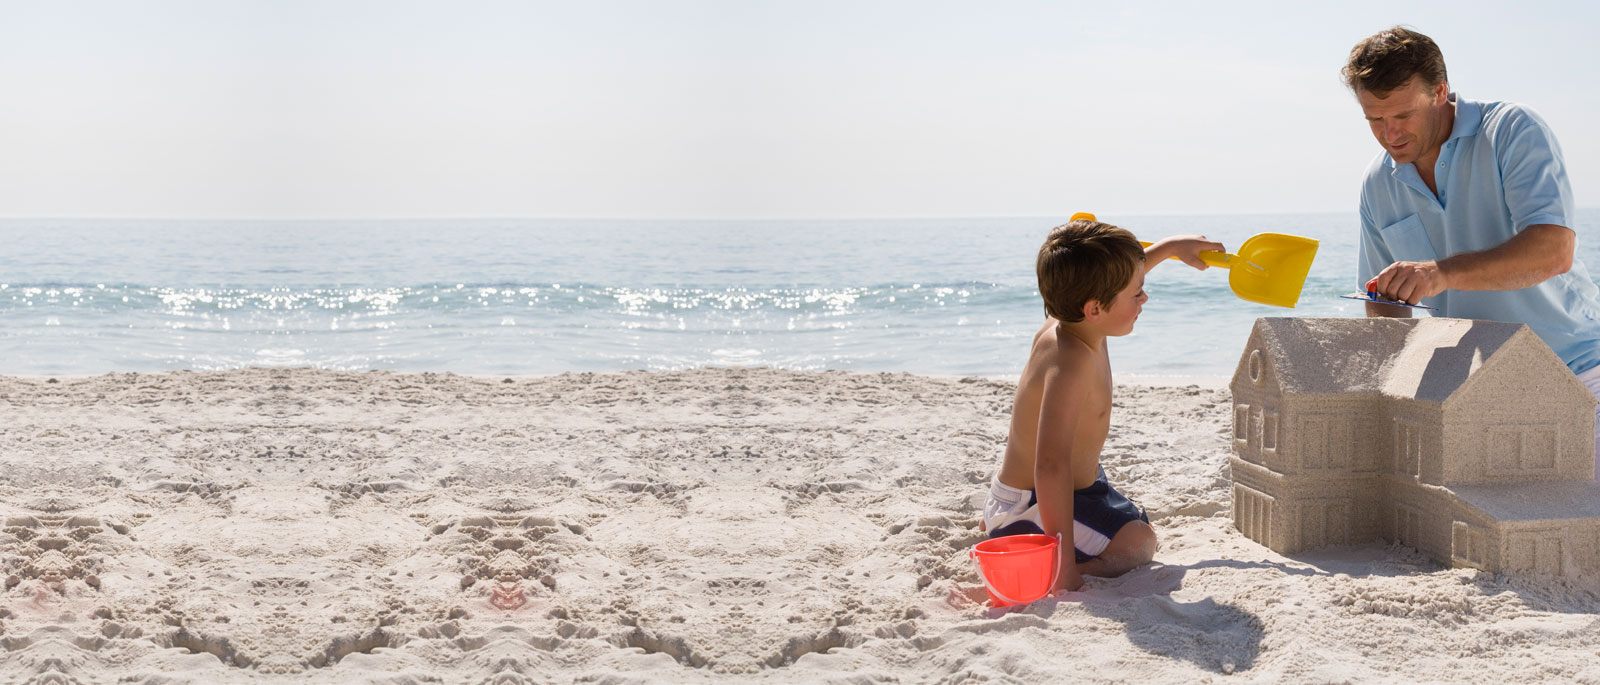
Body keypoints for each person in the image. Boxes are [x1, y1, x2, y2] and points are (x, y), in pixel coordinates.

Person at [1346, 27, 1600, 468]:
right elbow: (1383, 310)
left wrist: (1439, 273)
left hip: (1577, 372)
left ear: (1440, 91)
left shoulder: (1512, 130)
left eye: (1403, 115)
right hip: (1470, 396)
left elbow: (1554, 250)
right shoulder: (1375, 183)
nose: (1390, 134)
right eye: (1374, 120)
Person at [983, 216, 1222, 593]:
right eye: (1136, 293)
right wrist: (1064, 568)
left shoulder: (1081, 321)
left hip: (1076, 486)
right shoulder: (1070, 361)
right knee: (1139, 544)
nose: (1144, 297)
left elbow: (1123, 273)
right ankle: (1042, 555)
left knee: (1129, 518)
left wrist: (1173, 248)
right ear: (1095, 308)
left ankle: (1038, 534)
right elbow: (1050, 465)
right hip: (1032, 502)